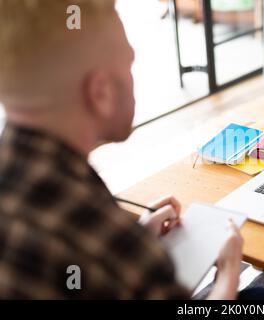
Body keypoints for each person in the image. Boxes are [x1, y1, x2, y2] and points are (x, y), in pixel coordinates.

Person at [0, 0, 251, 299]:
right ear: (101, 93)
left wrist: (137, 236)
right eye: (129, 64)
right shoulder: (107, 239)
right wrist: (228, 272)